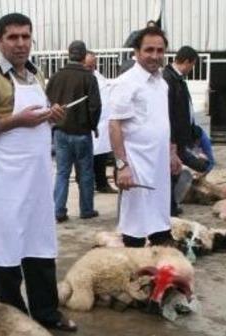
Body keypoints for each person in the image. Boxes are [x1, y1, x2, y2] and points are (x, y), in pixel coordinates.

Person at [0, 13, 76, 332]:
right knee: (8, 247)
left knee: (39, 243)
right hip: (6, 180)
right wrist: (16, 121)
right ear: (0, 41)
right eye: (13, 37)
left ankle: (46, 312)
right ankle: (13, 319)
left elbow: (36, 118)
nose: (21, 43)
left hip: (36, 178)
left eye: (26, 37)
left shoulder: (35, 76)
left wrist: (52, 116)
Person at [109, 26, 178, 248]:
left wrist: (171, 152)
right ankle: (134, 274)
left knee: (159, 219)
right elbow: (114, 125)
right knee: (135, 226)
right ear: (137, 51)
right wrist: (122, 166)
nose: (155, 56)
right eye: (149, 50)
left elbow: (162, 122)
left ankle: (160, 274)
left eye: (160, 50)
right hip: (136, 166)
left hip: (158, 166)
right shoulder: (126, 83)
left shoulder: (162, 83)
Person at [47, 40, 102, 223]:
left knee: (62, 172)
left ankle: (58, 211)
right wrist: (93, 126)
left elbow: (48, 100)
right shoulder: (89, 78)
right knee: (86, 172)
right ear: (84, 54)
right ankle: (86, 209)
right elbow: (95, 106)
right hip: (82, 132)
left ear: (68, 53)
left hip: (60, 131)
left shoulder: (56, 76)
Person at [163, 45, 204, 216]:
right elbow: (170, 112)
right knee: (172, 172)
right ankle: (169, 207)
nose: (191, 69)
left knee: (175, 171)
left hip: (180, 135)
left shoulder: (177, 79)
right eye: (192, 65)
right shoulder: (169, 79)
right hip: (173, 137)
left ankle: (171, 204)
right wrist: (172, 140)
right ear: (187, 62)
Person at [82, 51, 118, 193]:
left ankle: (102, 184)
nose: (91, 68)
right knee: (85, 160)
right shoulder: (79, 78)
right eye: (88, 66)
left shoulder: (100, 79)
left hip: (101, 124)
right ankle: (86, 187)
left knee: (101, 157)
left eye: (93, 66)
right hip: (85, 124)